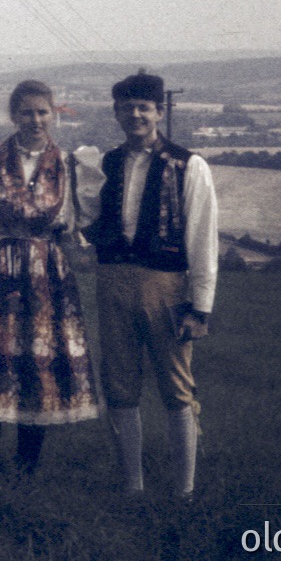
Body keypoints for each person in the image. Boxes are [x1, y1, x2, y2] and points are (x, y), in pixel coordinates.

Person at [0, 79, 103, 475]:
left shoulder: (71, 164)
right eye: (26, 112)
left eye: (42, 112)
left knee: (39, 365)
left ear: (53, 113)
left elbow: (80, 223)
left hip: (47, 277)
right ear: (13, 115)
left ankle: (25, 467)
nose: (35, 120)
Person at [80, 71, 218, 499]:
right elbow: (87, 221)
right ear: (117, 112)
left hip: (167, 285)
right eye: (127, 107)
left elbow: (202, 236)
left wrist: (200, 308)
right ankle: (132, 487)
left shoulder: (188, 164)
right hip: (114, 283)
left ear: (160, 111)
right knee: (119, 383)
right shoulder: (105, 164)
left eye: (144, 107)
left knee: (177, 386)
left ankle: (184, 490)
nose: (135, 114)